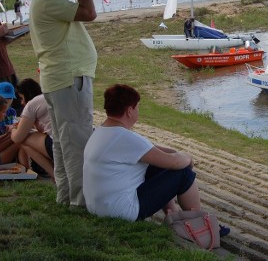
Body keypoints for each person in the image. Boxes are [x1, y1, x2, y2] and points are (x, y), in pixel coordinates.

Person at [83, 84, 229, 240]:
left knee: (156, 166)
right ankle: (202, 225)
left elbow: (154, 151)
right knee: (183, 174)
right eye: (138, 107)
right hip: (121, 211)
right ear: (130, 111)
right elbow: (174, 163)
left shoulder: (101, 132)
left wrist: (176, 154)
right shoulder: (125, 138)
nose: (138, 111)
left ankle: (172, 214)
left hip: (98, 207)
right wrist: (188, 158)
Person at [29, 0, 97, 207]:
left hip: (57, 79)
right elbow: (89, 13)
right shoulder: (49, 1)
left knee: (61, 142)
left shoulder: (43, 0)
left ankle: (66, 196)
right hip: (68, 79)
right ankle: (80, 201)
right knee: (77, 142)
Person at [12, 78, 54, 180]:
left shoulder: (32, 104)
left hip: (56, 144)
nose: (22, 103)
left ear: (27, 95)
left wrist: (12, 130)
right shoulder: (47, 97)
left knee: (23, 140)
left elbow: (17, 138)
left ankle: (54, 175)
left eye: (22, 98)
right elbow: (43, 131)